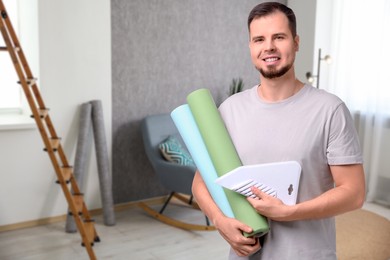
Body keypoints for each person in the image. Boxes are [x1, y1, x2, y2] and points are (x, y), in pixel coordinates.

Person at [191, 2, 366, 259]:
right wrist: (219, 221)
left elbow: (354, 194)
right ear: (251, 47)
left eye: (279, 37)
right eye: (259, 39)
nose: (268, 47)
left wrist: (289, 212)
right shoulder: (230, 109)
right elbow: (200, 181)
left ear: (296, 42)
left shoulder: (330, 110)